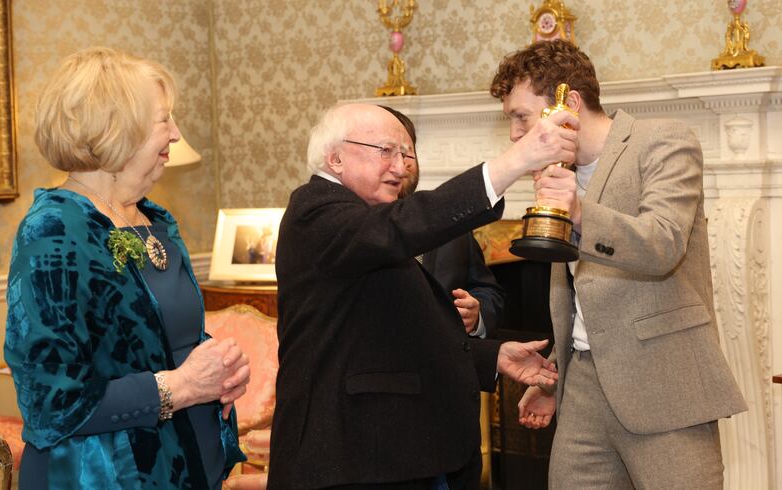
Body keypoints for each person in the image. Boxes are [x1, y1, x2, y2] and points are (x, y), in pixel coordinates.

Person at [268, 102, 576, 489]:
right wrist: (518, 159)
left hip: (398, 455)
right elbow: (401, 226)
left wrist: (491, 355)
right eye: (385, 151)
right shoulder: (314, 211)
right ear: (335, 158)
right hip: (351, 461)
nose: (400, 167)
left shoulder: (362, 221)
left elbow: (391, 331)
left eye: (405, 153)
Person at [489, 39, 747, 488]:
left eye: (521, 117)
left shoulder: (662, 142)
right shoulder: (556, 173)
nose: (514, 133)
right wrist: (554, 378)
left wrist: (580, 212)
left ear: (568, 104)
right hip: (583, 391)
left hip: (666, 385)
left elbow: (664, 243)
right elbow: (583, 295)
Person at [4, 47, 249, 489]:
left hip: (184, 466)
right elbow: (51, 399)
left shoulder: (156, 221)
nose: (175, 134)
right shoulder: (53, 230)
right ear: (116, 128)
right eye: (163, 119)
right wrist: (184, 386)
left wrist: (219, 366)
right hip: (104, 474)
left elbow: (152, 337)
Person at [382, 105, 505, 339]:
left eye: (408, 152)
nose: (403, 163)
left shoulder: (451, 224)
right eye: (388, 151)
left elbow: (489, 290)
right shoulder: (350, 227)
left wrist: (477, 313)